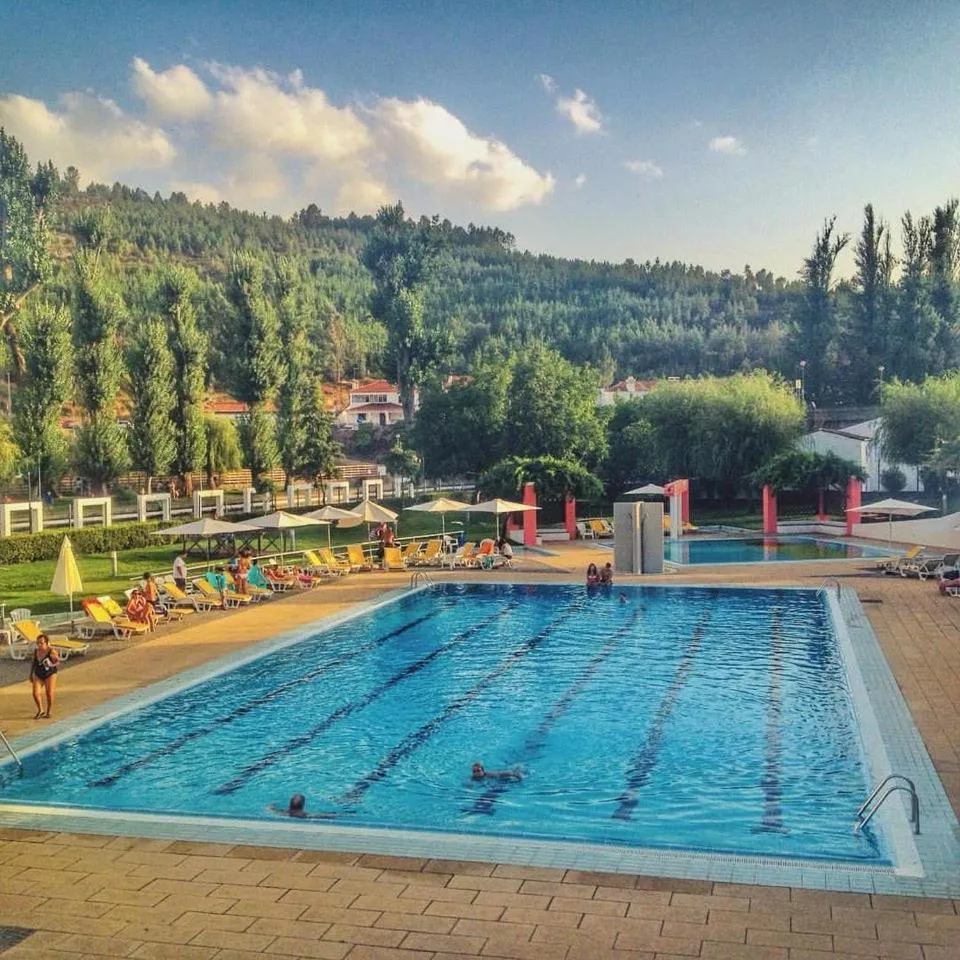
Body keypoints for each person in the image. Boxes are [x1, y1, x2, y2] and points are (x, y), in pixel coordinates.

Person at [29, 634, 60, 719]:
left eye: (41, 643)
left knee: (49, 693)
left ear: (46, 643)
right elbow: (33, 662)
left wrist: (51, 665)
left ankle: (49, 710)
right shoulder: (36, 651)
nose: (39, 645)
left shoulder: (51, 651)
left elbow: (58, 662)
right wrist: (31, 674)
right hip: (38, 673)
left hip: (50, 673)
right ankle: (41, 710)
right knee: (35, 693)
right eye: (38, 643)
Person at [268, 793, 336, 819]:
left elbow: (270, 808)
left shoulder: (283, 813)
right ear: (303, 805)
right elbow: (324, 816)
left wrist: (272, 804)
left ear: (289, 804)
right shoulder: (306, 815)